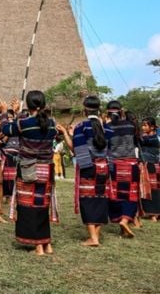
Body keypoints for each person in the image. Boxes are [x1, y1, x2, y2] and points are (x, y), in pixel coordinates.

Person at [0, 91, 58, 255]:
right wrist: (18, 114)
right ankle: (47, 243)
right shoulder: (52, 123)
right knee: (42, 205)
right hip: (47, 169)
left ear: (29, 105)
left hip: (28, 169)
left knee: (28, 206)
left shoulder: (25, 123)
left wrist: (5, 113)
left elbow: (6, 129)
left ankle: (38, 245)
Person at [62, 95, 112, 246]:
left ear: (84, 109)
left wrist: (65, 134)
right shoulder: (107, 128)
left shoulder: (81, 127)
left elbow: (75, 149)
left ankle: (93, 238)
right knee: (101, 199)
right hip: (104, 167)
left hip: (88, 167)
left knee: (87, 200)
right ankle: (96, 234)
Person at [104, 101, 140, 237]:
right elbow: (137, 144)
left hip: (115, 165)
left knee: (116, 195)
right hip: (131, 164)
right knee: (130, 195)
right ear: (121, 111)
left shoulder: (107, 127)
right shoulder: (131, 126)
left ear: (108, 112)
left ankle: (121, 221)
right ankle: (125, 221)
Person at [140, 117, 160, 221]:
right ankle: (150, 213)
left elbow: (144, 141)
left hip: (152, 165)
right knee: (147, 188)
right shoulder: (145, 136)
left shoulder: (153, 138)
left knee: (153, 189)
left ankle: (154, 214)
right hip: (147, 164)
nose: (143, 127)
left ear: (152, 127)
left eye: (145, 125)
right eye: (142, 125)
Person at [0, 109, 19, 201]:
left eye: (11, 117)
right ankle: (5, 194)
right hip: (6, 153)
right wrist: (7, 134)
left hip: (17, 154)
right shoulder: (3, 128)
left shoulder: (17, 126)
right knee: (5, 175)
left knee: (14, 175)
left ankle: (13, 194)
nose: (10, 119)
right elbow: (1, 141)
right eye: (8, 118)